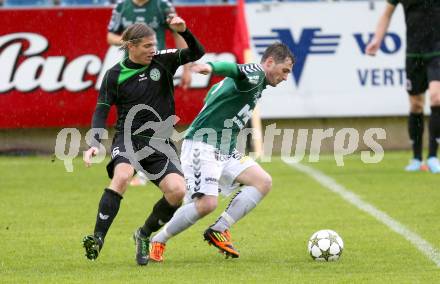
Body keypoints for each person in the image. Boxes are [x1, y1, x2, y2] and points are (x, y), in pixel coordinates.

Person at [147, 43, 294, 262]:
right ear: (270, 62)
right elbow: (233, 69)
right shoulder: (255, 73)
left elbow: (213, 97)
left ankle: (219, 228)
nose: (285, 77)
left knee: (262, 181)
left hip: (225, 148)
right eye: (284, 71)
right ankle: (158, 240)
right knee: (206, 204)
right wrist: (211, 66)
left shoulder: (257, 83)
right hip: (202, 144)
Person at [82, 18, 205, 266]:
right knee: (123, 176)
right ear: (131, 46)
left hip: (160, 142)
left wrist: (184, 31)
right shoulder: (114, 75)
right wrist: (94, 142)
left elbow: (197, 52)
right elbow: (101, 110)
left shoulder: (163, 60)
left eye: (154, 44)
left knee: (178, 192)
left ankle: (143, 234)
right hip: (128, 138)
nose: (152, 49)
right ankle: (97, 238)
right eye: (147, 45)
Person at [107, 0, 193, 186]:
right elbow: (110, 36)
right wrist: (130, 42)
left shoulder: (162, 5)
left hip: (159, 68)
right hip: (131, 71)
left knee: (156, 115)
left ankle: (152, 167)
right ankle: (134, 161)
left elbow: (177, 33)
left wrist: (186, 68)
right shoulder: (122, 6)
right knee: (131, 117)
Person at [366, 0, 440, 173]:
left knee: (437, 97)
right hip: (414, 53)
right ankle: (416, 158)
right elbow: (386, 14)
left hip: (437, 50)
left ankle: (432, 157)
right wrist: (377, 39)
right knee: (416, 104)